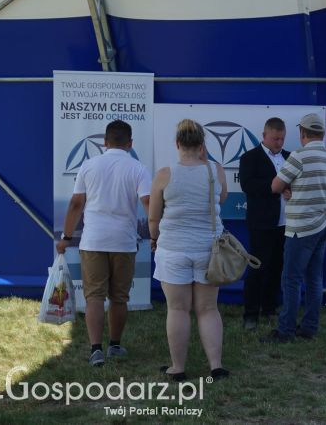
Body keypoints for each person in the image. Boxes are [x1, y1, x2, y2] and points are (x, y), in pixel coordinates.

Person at [56, 120, 151, 367]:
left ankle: (96, 350)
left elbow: (76, 204)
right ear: (130, 144)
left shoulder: (89, 165)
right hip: (124, 242)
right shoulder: (139, 168)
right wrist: (156, 236)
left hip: (93, 241)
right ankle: (115, 345)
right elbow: (149, 204)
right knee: (119, 298)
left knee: (94, 298)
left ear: (104, 142)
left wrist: (66, 238)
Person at [149, 119, 229, 381]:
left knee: (178, 309)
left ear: (177, 144)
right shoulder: (216, 171)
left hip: (172, 249)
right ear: (202, 145)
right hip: (209, 250)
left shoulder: (164, 174)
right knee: (208, 308)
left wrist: (154, 239)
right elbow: (222, 198)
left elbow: (153, 218)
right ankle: (215, 366)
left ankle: (178, 368)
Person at [260, 113, 326, 343]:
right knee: (314, 279)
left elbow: (275, 186)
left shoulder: (298, 156)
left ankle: (285, 331)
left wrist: (288, 187)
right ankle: (310, 327)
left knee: (291, 279)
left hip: (300, 227)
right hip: (323, 223)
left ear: (302, 133)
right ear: (321, 134)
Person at [239, 117, 291, 330]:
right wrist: (274, 187)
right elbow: (247, 185)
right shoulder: (250, 158)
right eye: (275, 138)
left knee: (277, 266)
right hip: (261, 222)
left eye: (282, 139)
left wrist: (290, 190)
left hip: (286, 223)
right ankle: (250, 313)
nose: (279, 143)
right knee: (258, 268)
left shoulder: (290, 157)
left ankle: (269, 308)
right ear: (264, 136)